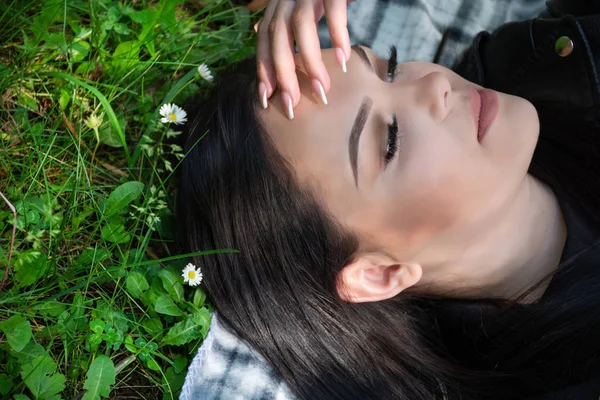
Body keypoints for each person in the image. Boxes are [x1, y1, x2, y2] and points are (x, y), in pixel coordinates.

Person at [177, 0, 600, 398]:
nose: (435, 84)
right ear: (378, 274)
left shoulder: (543, 59)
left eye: (391, 69)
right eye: (391, 140)